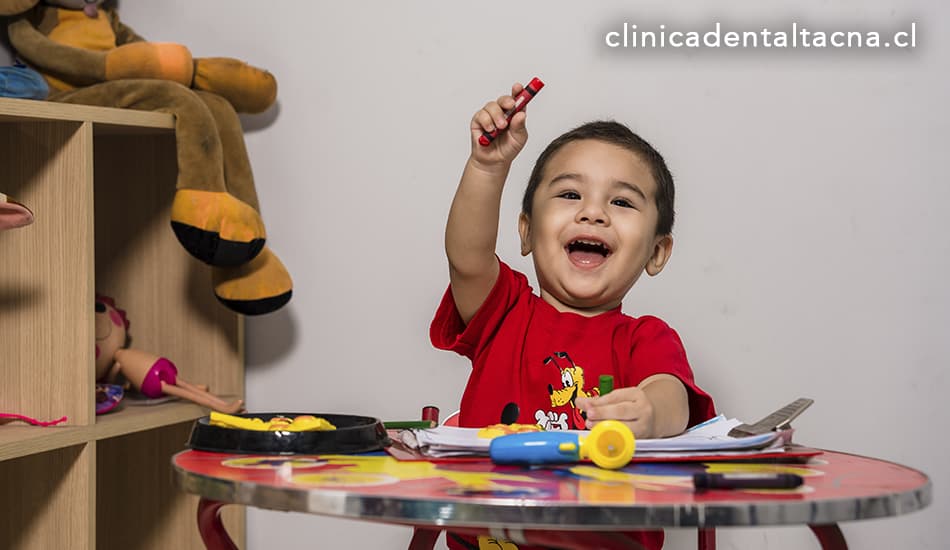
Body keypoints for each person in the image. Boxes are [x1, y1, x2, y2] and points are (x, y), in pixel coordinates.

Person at [430, 81, 716, 549]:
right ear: (525, 233)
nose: (593, 213)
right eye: (568, 195)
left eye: (621, 202)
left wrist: (651, 411)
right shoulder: (503, 312)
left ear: (657, 252)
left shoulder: (645, 339)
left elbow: (672, 399)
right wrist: (488, 166)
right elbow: (466, 256)